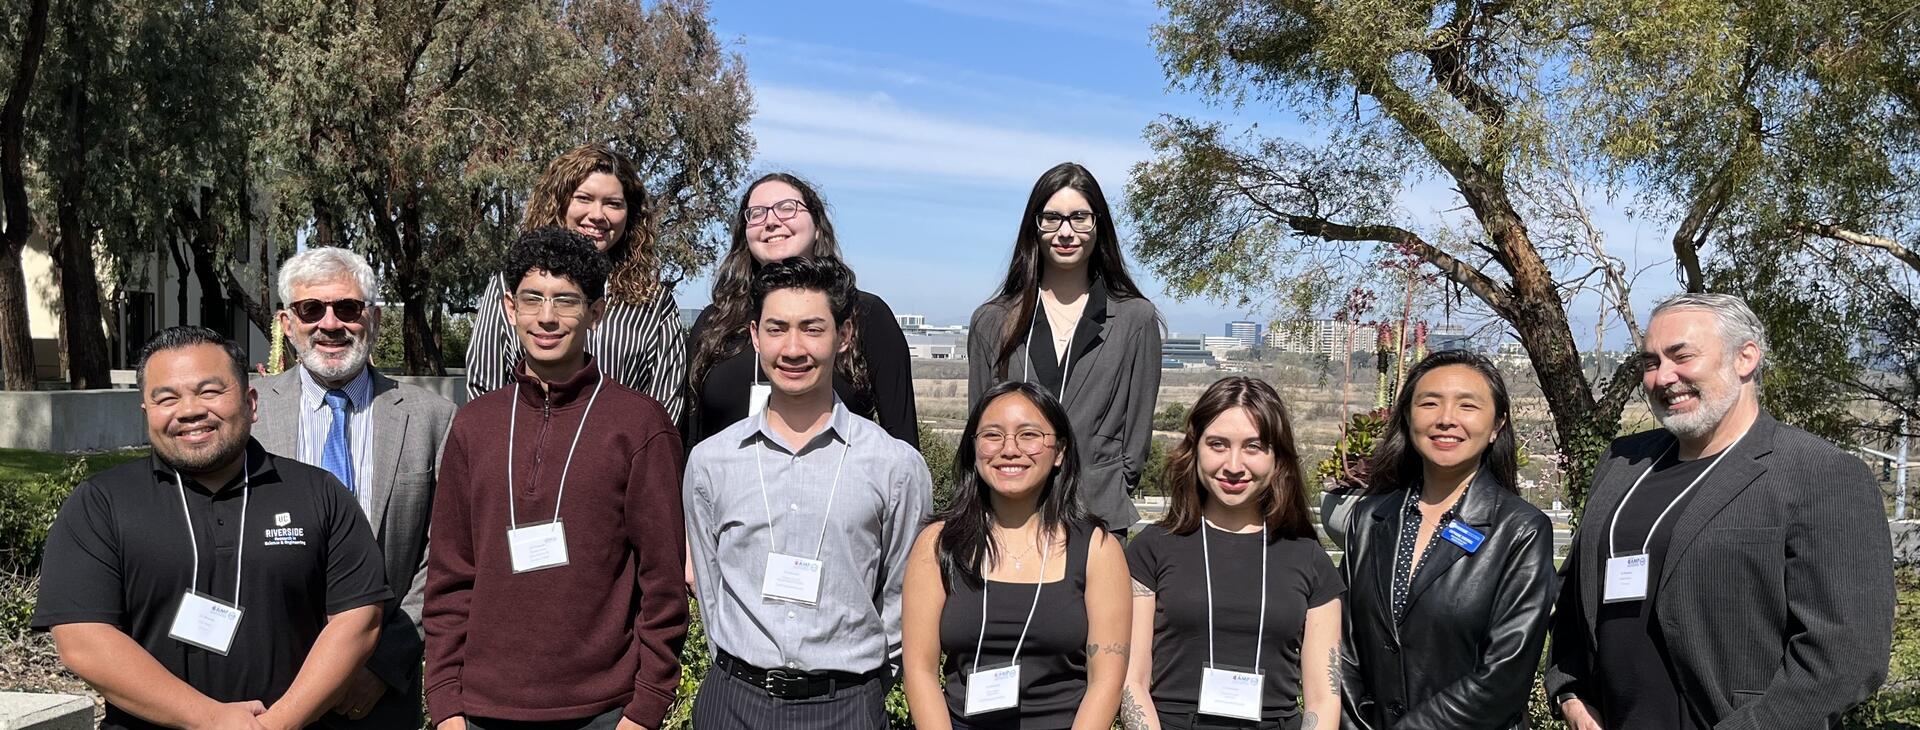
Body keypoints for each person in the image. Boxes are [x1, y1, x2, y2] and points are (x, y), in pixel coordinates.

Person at [1546, 293, 1895, 729]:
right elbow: (1575, 593)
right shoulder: (1623, 463)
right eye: (1651, 362)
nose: (1663, 377)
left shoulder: (1818, 473)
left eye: (1681, 356)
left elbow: (1845, 655)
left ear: (1745, 357)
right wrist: (1571, 693)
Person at [34, 326, 390, 730]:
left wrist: (277, 725)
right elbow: (83, 638)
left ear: (251, 402)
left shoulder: (319, 493)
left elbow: (358, 619)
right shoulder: (101, 503)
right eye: (166, 397)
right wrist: (211, 720)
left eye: (209, 391)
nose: (189, 410)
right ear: (146, 412)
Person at [425, 228, 687, 730]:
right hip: (480, 710)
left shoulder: (638, 426)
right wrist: (445, 706)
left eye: (566, 301)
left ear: (595, 312)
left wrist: (645, 708)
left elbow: (663, 583)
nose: (547, 317)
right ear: (509, 308)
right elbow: (450, 577)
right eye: (533, 299)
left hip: (603, 710)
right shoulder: (474, 425)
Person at [683, 255, 932, 729]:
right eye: (777, 329)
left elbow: (903, 594)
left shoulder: (895, 466)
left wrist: (867, 687)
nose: (793, 348)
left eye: (812, 329)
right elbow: (711, 591)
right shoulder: (711, 463)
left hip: (846, 706)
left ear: (844, 335)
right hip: (732, 703)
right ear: (755, 336)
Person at [253, 247, 458, 728]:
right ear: (286, 323)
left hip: (378, 690)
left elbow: (445, 557)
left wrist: (383, 663)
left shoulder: (431, 420)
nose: (330, 324)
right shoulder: (250, 414)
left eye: (347, 308)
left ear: (375, 319)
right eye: (311, 309)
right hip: (268, 685)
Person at [1340, 350, 1556, 729]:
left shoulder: (1519, 530)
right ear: (1407, 418)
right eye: (1429, 403)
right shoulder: (1370, 519)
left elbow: (1505, 674)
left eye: (1467, 406)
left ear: (1496, 425)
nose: (1445, 419)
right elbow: (1342, 644)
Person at [902, 380, 1132, 730]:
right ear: (973, 448)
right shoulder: (938, 543)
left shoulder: (1097, 549)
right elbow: (918, 669)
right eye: (992, 435)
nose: (1010, 449)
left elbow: (1106, 681)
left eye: (1029, 435)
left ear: (1060, 452)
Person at [1121, 377, 1342, 730]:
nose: (1234, 465)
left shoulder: (1310, 559)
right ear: (1195, 449)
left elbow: (1323, 696)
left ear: (1276, 456)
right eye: (1218, 445)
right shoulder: (1152, 548)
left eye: (1253, 446)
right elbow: (1132, 679)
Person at [968, 162, 1161, 537]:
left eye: (1080, 218)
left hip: (1098, 517)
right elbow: (981, 426)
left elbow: (1136, 438)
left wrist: (1113, 484)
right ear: (1034, 226)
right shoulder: (992, 321)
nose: (1066, 232)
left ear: (1098, 225)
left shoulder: (1135, 320)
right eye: (1053, 218)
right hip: (1010, 516)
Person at [685, 172, 916, 446]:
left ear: (817, 225)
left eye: (787, 208)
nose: (771, 221)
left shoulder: (866, 314)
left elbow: (902, 440)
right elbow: (691, 437)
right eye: (756, 213)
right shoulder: (714, 322)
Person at [465, 143, 688, 422]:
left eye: (613, 204)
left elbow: (666, 407)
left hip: (618, 456)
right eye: (583, 198)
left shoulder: (653, 301)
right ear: (559, 204)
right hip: (521, 456)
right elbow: (484, 389)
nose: (597, 214)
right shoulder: (510, 285)